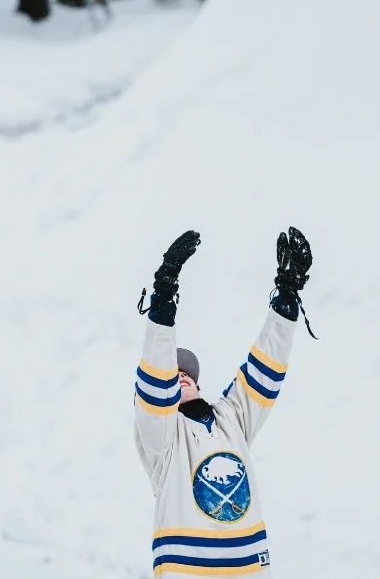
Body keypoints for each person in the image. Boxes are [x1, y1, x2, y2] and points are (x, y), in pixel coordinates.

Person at [132, 227, 313, 578]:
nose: (179, 374)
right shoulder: (163, 445)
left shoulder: (232, 420)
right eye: (171, 373)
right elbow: (153, 387)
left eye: (187, 372)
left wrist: (286, 300)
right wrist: (164, 295)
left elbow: (264, 372)